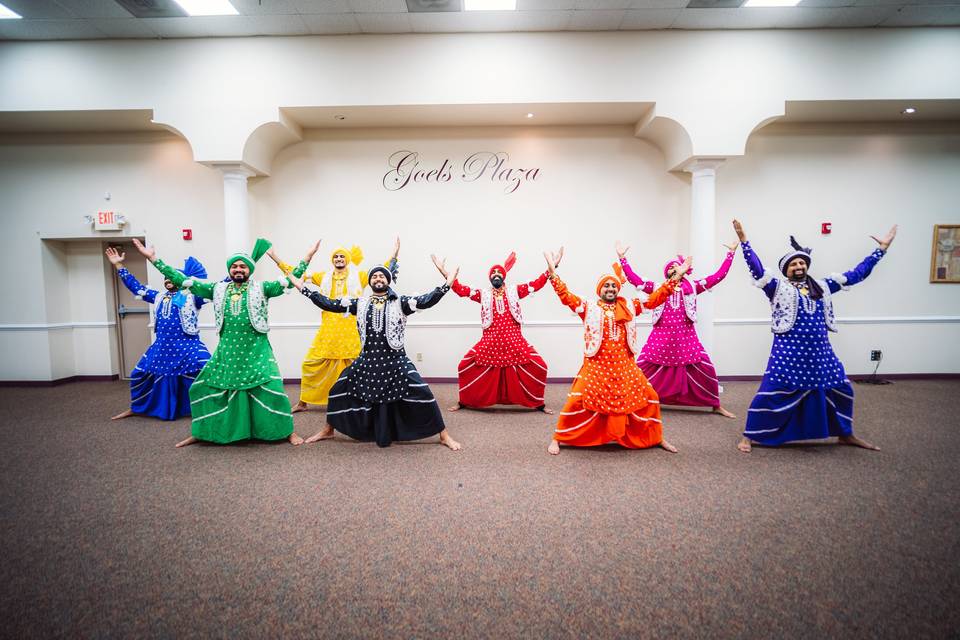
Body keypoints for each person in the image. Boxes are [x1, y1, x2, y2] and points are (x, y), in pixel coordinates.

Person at [131, 237, 315, 447]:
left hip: (257, 351)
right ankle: (202, 432)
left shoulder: (262, 288)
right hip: (226, 352)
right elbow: (183, 281)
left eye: (243, 266)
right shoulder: (216, 289)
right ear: (229, 269)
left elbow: (290, 280)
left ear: (250, 270)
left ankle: (286, 431)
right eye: (234, 266)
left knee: (273, 391)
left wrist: (307, 257)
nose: (238, 269)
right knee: (202, 389)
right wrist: (155, 260)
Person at [732, 219, 897, 453]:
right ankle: (750, 435)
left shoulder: (824, 286)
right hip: (787, 352)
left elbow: (856, 275)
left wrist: (880, 250)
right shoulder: (778, 288)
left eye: (801, 262)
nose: (798, 266)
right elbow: (757, 270)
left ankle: (845, 434)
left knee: (841, 389)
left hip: (821, 353)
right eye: (793, 264)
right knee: (771, 392)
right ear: (786, 269)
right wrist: (745, 243)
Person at [286, 250, 463, 451]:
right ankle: (329, 429)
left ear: (388, 280)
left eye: (381, 275)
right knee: (337, 390)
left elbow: (426, 300)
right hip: (366, 360)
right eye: (374, 276)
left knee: (423, 392)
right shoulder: (359, 303)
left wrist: (447, 284)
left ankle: (443, 435)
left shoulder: (401, 302)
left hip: (396, 360)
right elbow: (330, 304)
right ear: (370, 282)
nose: (378, 278)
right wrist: (304, 289)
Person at [543, 248, 690, 455]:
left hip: (625, 366)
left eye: (613, 285)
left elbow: (656, 298)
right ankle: (559, 437)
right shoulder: (589, 307)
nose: (610, 289)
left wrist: (676, 277)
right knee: (576, 400)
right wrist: (552, 272)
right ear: (600, 290)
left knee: (650, 397)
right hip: (596, 365)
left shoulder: (630, 305)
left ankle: (656, 437)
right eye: (606, 286)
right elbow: (565, 296)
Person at [268, 238, 400, 412]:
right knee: (310, 363)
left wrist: (394, 253)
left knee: (357, 365)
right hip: (328, 329)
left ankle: (363, 398)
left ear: (347, 259)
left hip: (351, 330)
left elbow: (382, 269)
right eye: (336, 256)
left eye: (342, 256)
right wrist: (276, 257)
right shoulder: (322, 277)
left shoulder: (359, 276)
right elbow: (295, 274)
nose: (339, 259)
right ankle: (303, 402)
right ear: (333, 260)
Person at [616, 241, 739, 418]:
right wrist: (622, 258)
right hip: (660, 337)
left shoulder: (693, 287)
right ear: (666, 273)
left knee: (706, 369)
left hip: (686, 338)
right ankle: (631, 400)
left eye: (677, 267)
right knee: (641, 369)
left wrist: (731, 254)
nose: (674, 270)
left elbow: (718, 276)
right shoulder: (657, 287)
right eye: (671, 268)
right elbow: (634, 279)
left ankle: (714, 405)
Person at [105, 247, 210, 421]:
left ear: (181, 279)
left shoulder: (193, 296)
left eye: (171, 276)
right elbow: (136, 287)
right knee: (139, 374)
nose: (168, 279)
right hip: (161, 347)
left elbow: (217, 289)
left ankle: (210, 410)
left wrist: (235, 274)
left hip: (188, 345)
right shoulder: (158, 296)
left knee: (208, 371)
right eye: (165, 277)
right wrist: (119, 265)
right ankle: (138, 407)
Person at [447, 251, 552, 413]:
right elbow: (463, 290)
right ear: (490, 278)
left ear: (504, 276)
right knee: (464, 366)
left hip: (514, 341)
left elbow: (535, 285)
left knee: (540, 366)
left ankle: (538, 404)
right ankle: (464, 401)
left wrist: (550, 270)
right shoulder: (483, 294)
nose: (496, 275)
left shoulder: (514, 291)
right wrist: (449, 277)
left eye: (499, 273)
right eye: (493, 273)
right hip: (490, 342)